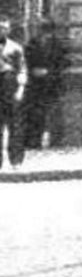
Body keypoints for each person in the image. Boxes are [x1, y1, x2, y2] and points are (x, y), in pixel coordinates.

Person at [21, 17, 68, 150]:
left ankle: (56, 143)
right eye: (40, 30)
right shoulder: (32, 43)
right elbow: (25, 60)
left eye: (45, 29)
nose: (42, 33)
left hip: (53, 84)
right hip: (35, 85)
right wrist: (32, 71)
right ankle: (33, 143)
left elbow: (63, 63)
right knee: (35, 115)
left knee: (54, 114)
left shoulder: (58, 45)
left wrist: (49, 72)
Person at [0, 16, 27, 169]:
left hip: (9, 88)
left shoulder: (16, 48)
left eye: (4, 28)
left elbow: (22, 70)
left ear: (9, 30)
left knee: (15, 126)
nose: (1, 31)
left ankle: (16, 161)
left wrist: (20, 90)